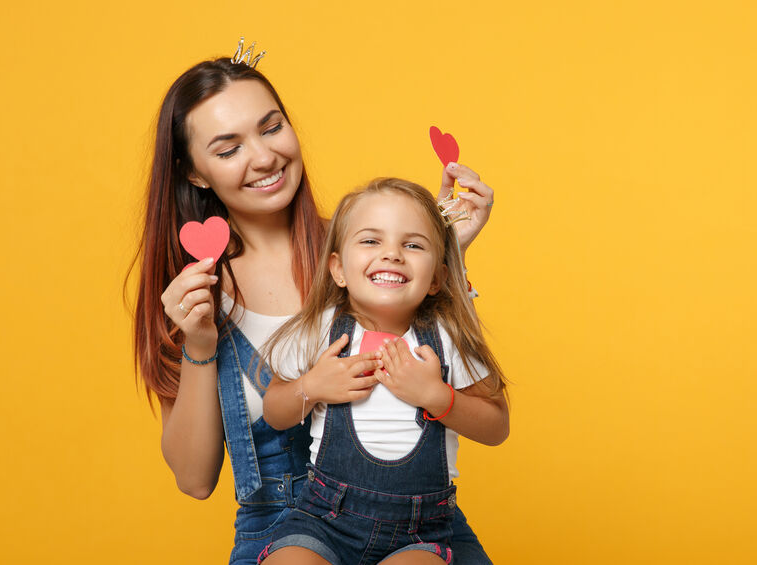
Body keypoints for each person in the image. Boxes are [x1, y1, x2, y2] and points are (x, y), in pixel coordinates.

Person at [130, 44, 497, 564]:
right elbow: (194, 479)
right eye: (228, 148)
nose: (263, 157)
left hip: (414, 525)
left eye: (271, 127)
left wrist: (444, 252)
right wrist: (200, 344)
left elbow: (469, 383)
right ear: (194, 173)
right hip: (281, 526)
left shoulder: (364, 254)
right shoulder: (191, 296)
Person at [259, 178, 509, 565]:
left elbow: (497, 427)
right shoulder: (318, 331)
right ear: (338, 269)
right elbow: (275, 412)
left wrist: (437, 397)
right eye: (371, 241)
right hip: (323, 520)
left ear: (438, 279)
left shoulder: (448, 339)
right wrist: (313, 387)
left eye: (412, 245)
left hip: (419, 532)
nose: (392, 254)